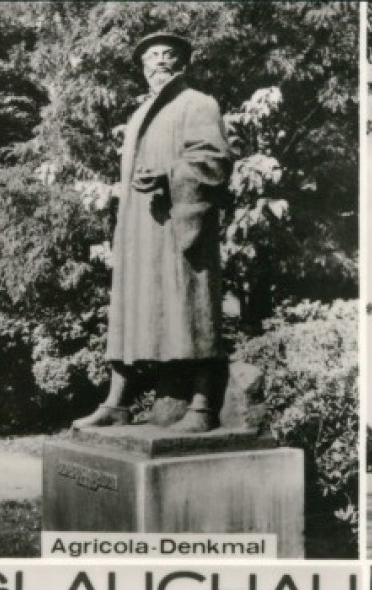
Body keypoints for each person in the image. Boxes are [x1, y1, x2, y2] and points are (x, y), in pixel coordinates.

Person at [73, 30, 233, 433]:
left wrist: (170, 177)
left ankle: (201, 407)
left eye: (168, 55)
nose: (159, 62)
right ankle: (118, 401)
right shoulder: (138, 116)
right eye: (151, 57)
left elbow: (214, 159)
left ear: (183, 63)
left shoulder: (198, 103)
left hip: (181, 223)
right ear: (143, 69)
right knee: (130, 310)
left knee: (190, 307)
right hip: (139, 230)